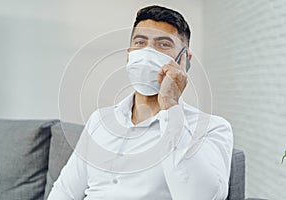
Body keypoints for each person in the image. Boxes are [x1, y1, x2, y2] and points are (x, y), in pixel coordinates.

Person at [48, 5, 233, 200]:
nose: (147, 52)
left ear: (184, 60)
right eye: (140, 42)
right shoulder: (100, 120)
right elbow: (65, 192)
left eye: (163, 44)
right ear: (129, 55)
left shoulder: (212, 128)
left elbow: (201, 196)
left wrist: (170, 105)